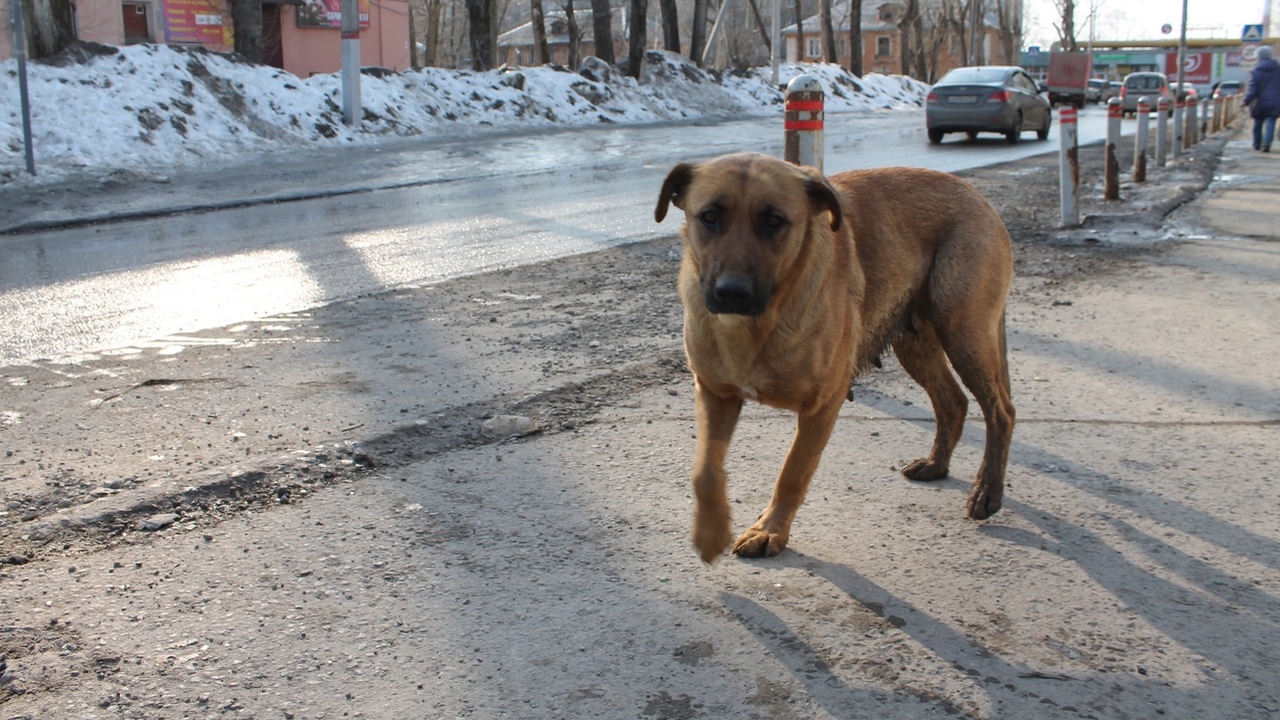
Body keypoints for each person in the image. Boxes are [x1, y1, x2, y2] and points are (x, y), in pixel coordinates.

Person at [1244, 45, 1280, 152]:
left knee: (1258, 123)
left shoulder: (1256, 71)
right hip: (1275, 102)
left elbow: (1252, 88)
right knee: (1271, 122)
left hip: (1259, 102)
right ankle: (1266, 145)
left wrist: (1246, 100)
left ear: (1258, 57)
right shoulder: (1278, 70)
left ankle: (1257, 144)